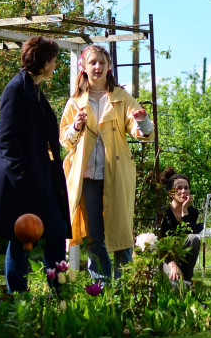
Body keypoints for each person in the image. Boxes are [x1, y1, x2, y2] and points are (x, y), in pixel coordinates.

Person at [0, 36, 70, 293]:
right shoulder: (15, 89)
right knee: (22, 236)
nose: (55, 65)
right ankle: (17, 296)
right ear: (44, 62)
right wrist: (22, 174)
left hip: (41, 176)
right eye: (54, 60)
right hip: (21, 181)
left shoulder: (34, 88)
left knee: (56, 231)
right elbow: (7, 138)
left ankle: (58, 290)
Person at [60, 44, 154, 281]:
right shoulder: (75, 102)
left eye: (102, 62)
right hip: (88, 177)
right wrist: (76, 126)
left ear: (109, 67)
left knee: (121, 232)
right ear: (84, 68)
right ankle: (100, 285)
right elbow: (64, 140)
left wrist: (142, 121)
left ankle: (125, 286)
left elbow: (141, 131)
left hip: (116, 174)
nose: (98, 67)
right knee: (95, 235)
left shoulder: (122, 97)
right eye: (93, 63)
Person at [158, 167, 202, 285]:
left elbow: (188, 236)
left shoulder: (192, 212)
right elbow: (160, 245)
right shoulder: (163, 212)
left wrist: (184, 211)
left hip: (184, 258)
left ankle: (187, 279)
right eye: (179, 188)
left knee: (193, 239)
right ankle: (179, 280)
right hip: (166, 258)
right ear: (171, 193)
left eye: (186, 188)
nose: (184, 191)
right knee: (175, 284)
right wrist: (173, 264)